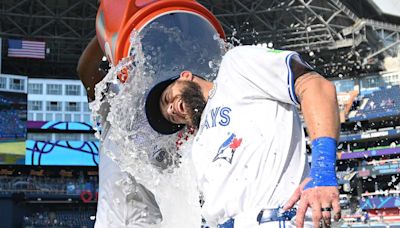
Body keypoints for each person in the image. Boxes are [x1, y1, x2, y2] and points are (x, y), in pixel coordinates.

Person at [145, 45, 341, 227]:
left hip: (277, 219)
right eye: (170, 118)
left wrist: (322, 171)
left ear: (185, 76)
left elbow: (314, 85)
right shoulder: (199, 146)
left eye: (167, 98)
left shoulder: (234, 67)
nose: (170, 110)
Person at [77, 36, 163, 227]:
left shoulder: (171, 111)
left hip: (151, 222)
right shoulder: (115, 99)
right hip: (109, 221)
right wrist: (106, 28)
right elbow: (86, 71)